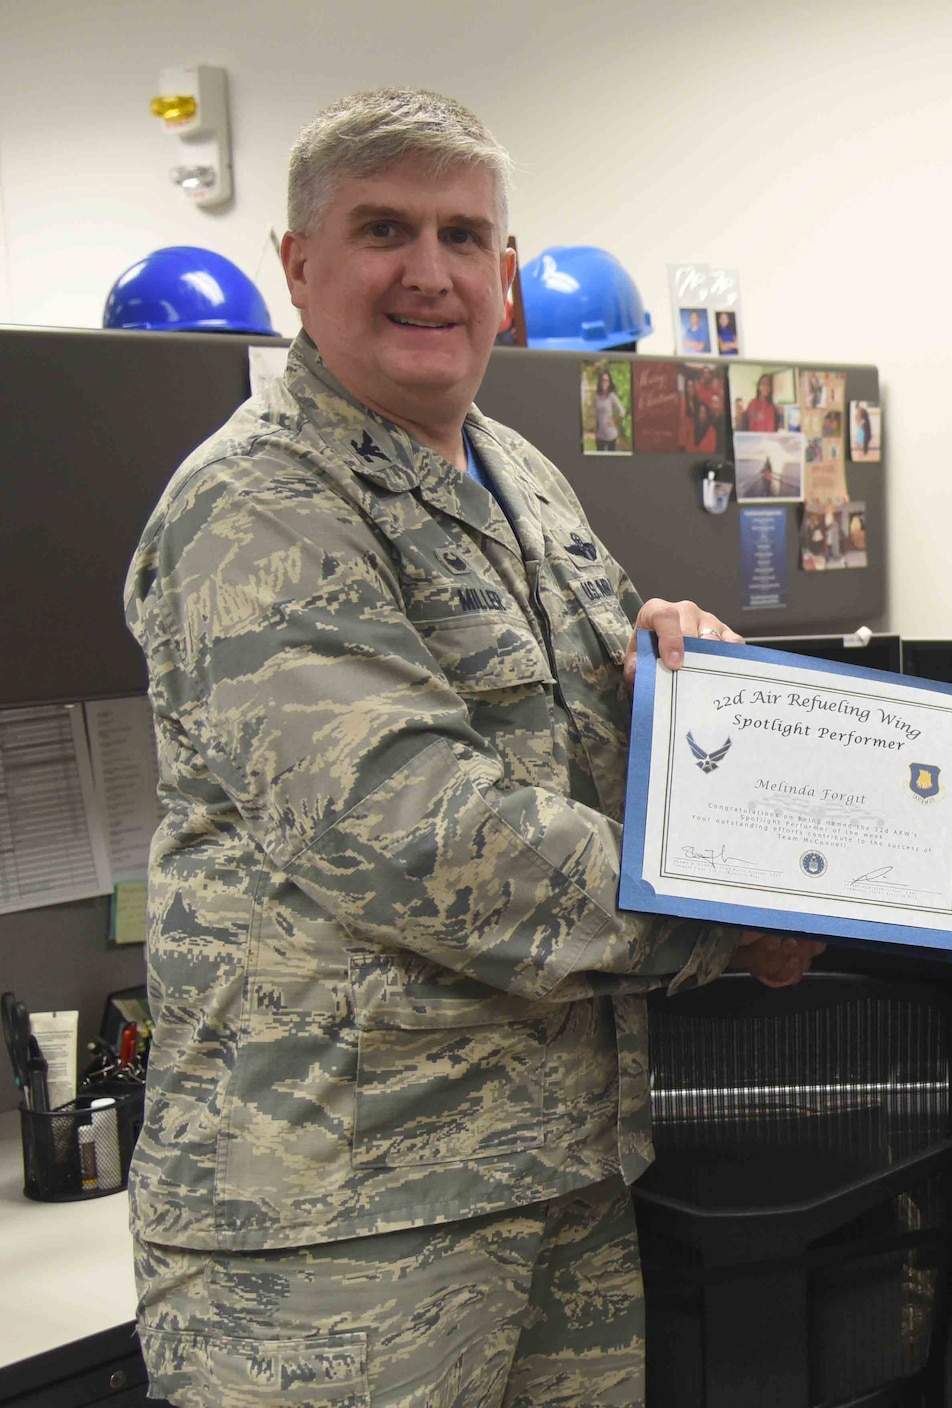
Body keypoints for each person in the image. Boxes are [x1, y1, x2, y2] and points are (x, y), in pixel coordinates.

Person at [122, 87, 818, 1408]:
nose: (429, 274)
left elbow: (587, 759)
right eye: (386, 229)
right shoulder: (259, 497)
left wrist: (673, 671)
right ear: (298, 263)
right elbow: (418, 831)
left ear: (505, 272)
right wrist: (733, 925)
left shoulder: (518, 471)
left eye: (463, 235)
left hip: (557, 1176)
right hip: (336, 1226)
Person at [593, 365, 626, 450]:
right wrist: (596, 433)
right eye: (603, 380)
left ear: (609, 382)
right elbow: (596, 416)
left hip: (611, 435)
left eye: (607, 380)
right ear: (600, 382)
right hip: (600, 436)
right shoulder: (596, 397)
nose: (604, 382)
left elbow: (622, 412)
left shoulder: (611, 396)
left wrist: (615, 422)